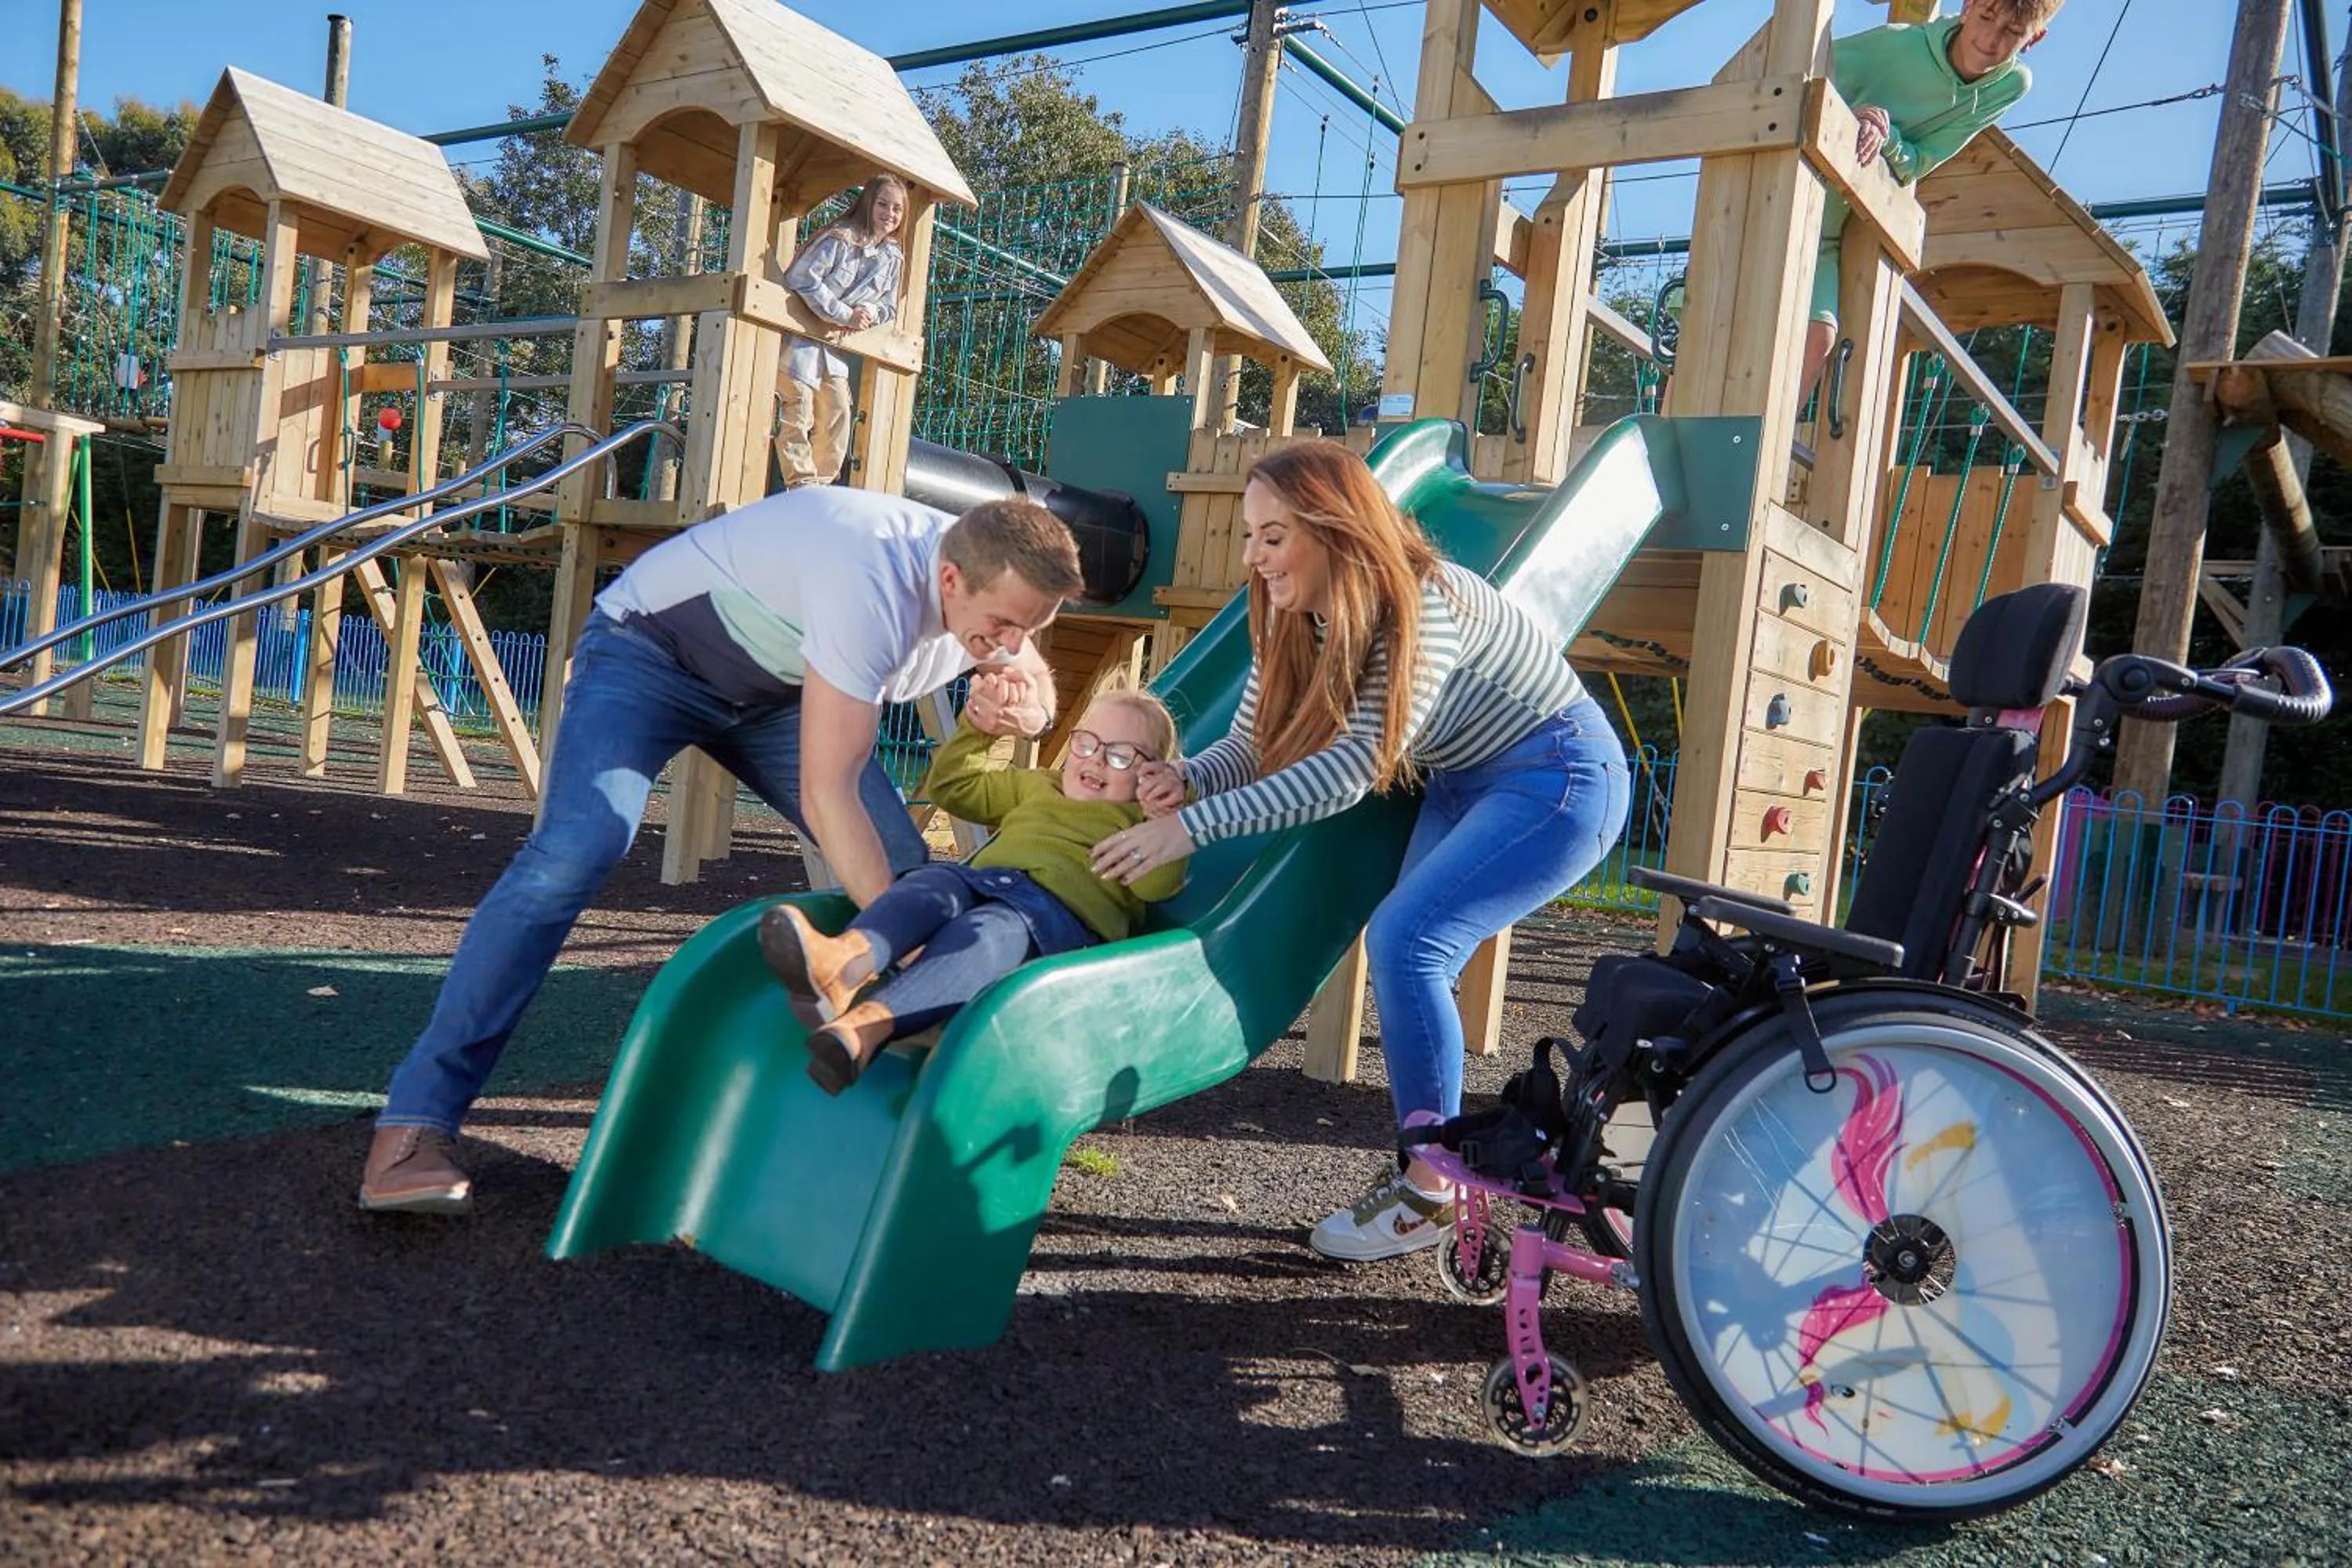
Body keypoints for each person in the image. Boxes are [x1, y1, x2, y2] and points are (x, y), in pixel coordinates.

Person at [358, 486, 1084, 1214]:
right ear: (950, 581)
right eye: (1002, 628)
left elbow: (1029, 669)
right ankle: (416, 1123)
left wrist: (1035, 703)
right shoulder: (870, 577)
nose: (1013, 643)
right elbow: (826, 793)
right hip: (652, 653)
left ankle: (909, 1141)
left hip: (782, 692)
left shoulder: (991, 575)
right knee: (575, 854)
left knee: (903, 878)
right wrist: (893, 943)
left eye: (1029, 627)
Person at [1091, 443, 1630, 1262]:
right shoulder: (1289, 614)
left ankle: (1429, 1187)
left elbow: (1348, 773)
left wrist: (1192, 828)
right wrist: (1188, 777)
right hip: (1460, 779)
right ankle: (1438, 1169)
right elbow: (1254, 746)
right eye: (1250, 534)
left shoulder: (1426, 602)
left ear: (1334, 531)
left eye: (1273, 535)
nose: (1253, 556)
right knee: (1413, 952)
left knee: (1408, 941)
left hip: (1558, 776)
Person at [760, 680, 1190, 1094]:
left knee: (987, 931)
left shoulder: (1141, 825)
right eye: (1087, 743)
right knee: (929, 884)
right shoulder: (1039, 784)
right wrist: (979, 733)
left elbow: (1158, 886)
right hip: (984, 881)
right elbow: (953, 789)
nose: (1094, 760)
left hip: (1053, 920)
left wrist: (1166, 819)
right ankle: (844, 960)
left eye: (1120, 757)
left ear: (1152, 774)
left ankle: (865, 1029)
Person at [1801, 0, 2060, 401]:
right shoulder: (1895, 47)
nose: (1990, 41)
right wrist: (1851, 116)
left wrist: (1886, 135)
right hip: (1791, 201)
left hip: (1828, 233)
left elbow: (1919, 162)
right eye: (1987, 18)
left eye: (2012, 31)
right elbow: (1802, 81)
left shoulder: (2008, 85)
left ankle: (1761, 456)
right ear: (1968, 6)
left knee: (1820, 338)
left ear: (2035, 39)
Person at [775, 175, 907, 488]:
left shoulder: (892, 258)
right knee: (798, 407)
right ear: (868, 204)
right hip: (800, 340)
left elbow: (889, 306)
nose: (890, 214)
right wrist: (844, 314)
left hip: (833, 350)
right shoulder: (841, 238)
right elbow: (801, 277)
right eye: (883, 204)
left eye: (897, 209)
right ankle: (800, 483)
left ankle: (822, 484)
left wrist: (870, 313)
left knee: (838, 413)